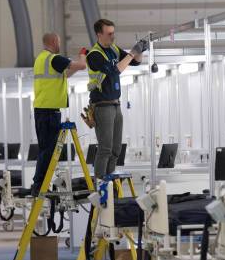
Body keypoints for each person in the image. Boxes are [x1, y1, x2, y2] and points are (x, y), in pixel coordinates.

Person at [85, 19, 148, 179]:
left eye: (113, 32)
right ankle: (100, 184)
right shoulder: (94, 55)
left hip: (115, 105)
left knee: (116, 149)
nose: (113, 36)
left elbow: (134, 62)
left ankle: (110, 181)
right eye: (109, 33)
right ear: (99, 34)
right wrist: (132, 52)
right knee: (105, 148)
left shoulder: (113, 48)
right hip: (102, 105)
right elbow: (114, 71)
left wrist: (140, 50)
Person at [31, 33, 87, 196]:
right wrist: (83, 56)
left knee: (45, 149)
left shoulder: (41, 60)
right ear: (54, 41)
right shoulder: (53, 59)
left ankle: (39, 184)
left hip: (42, 109)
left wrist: (75, 65)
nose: (60, 44)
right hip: (49, 111)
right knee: (48, 150)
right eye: (59, 42)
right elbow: (82, 66)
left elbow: (66, 73)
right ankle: (39, 185)